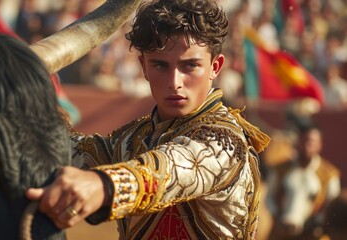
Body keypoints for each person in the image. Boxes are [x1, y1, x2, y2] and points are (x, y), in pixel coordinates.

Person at [26, 0, 270, 239]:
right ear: (144, 66)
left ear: (215, 67)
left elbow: (173, 169)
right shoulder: (133, 139)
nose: (175, 82)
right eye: (161, 66)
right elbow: (66, 150)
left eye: (190, 66)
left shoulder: (225, 143)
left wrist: (104, 185)